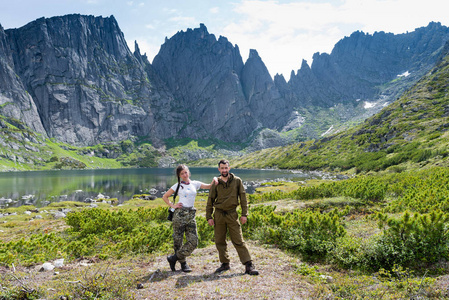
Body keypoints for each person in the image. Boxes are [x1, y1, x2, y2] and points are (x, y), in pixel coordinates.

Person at [206, 159, 259, 275]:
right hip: (219, 215)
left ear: (229, 168)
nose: (224, 170)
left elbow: (243, 198)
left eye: (226, 168)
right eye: (222, 168)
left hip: (232, 214)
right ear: (219, 169)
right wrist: (209, 216)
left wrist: (244, 214)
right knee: (220, 241)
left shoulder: (237, 181)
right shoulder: (215, 183)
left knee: (238, 240)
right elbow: (210, 200)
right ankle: (225, 264)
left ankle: (248, 265)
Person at [163, 164, 217, 272]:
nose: (184, 174)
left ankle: (173, 258)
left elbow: (209, 186)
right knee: (178, 240)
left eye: (185, 172)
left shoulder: (195, 183)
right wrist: (173, 206)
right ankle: (183, 264)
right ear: (179, 175)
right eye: (182, 173)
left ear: (189, 172)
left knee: (194, 241)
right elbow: (165, 196)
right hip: (179, 214)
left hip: (191, 214)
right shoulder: (177, 185)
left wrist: (215, 179)